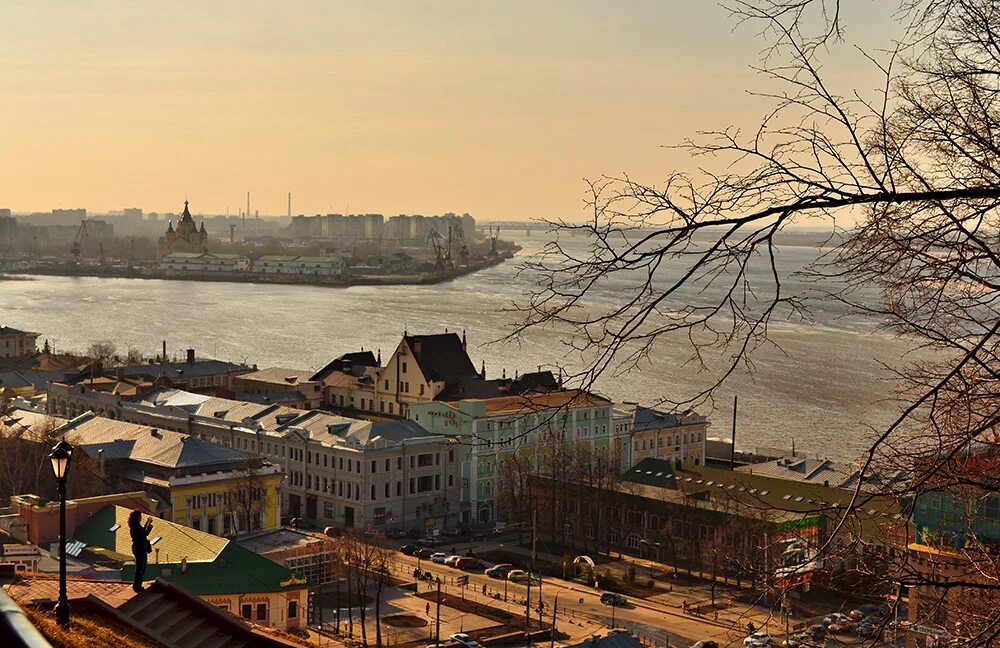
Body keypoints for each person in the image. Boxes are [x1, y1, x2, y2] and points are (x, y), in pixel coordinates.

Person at [128, 509, 153, 592]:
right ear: (137, 517)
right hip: (139, 548)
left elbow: (143, 531)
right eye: (140, 516)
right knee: (140, 567)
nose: (141, 517)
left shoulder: (135, 525)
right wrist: (149, 524)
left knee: (141, 567)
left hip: (138, 548)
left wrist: (147, 523)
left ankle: (138, 585)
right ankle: (137, 586)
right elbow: (144, 534)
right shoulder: (135, 527)